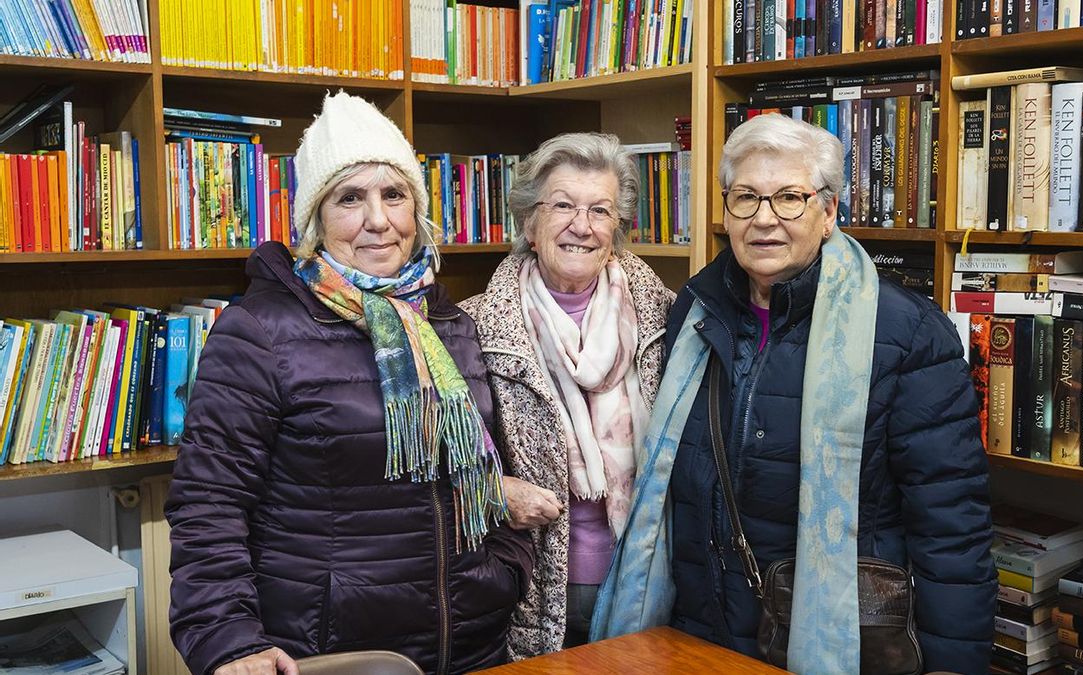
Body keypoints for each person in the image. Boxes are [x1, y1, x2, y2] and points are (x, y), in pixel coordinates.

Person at [591, 113, 997, 673]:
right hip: (698, 635)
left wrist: (956, 664)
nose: (765, 220)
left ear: (828, 213)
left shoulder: (905, 334)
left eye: (789, 198)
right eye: (745, 198)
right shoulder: (691, 314)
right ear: (726, 211)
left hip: (841, 644)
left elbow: (951, 525)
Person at [165, 92, 533, 675]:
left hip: (470, 643)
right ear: (314, 220)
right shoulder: (258, 332)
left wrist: (506, 570)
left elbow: (483, 469)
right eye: (350, 198)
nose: (378, 220)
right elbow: (209, 505)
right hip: (337, 652)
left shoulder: (448, 324)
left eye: (394, 194)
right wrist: (228, 641)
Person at [459, 132, 675, 658]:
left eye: (600, 210)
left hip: (651, 581)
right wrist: (493, 492)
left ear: (617, 231)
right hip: (526, 590)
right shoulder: (470, 329)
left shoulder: (669, 317)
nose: (582, 226)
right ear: (530, 224)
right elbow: (438, 469)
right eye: (562, 206)